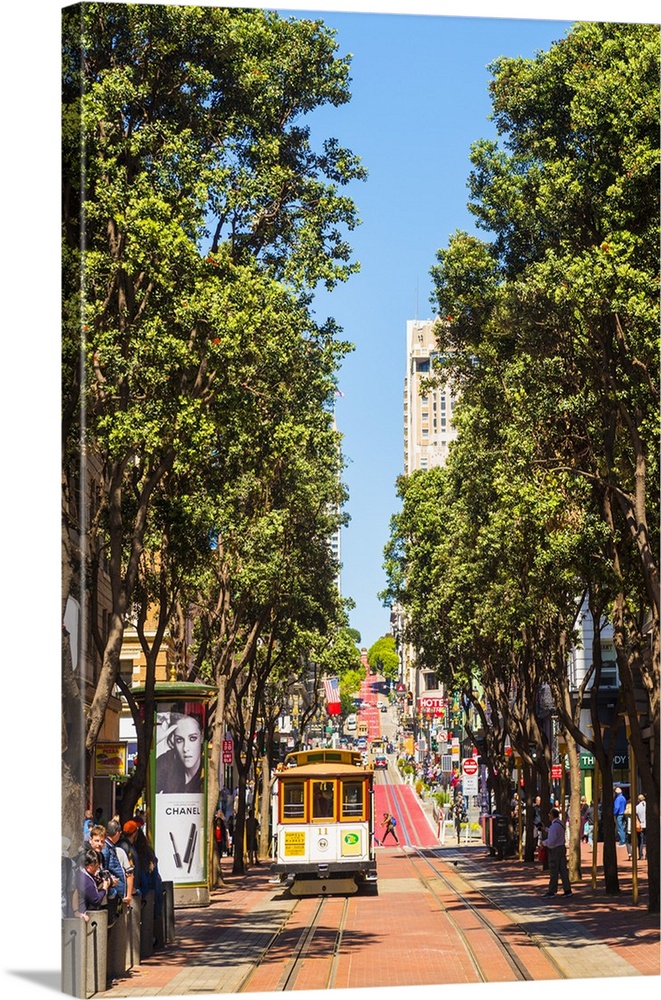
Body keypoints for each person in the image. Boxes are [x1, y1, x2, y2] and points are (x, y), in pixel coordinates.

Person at [156, 713, 204, 793]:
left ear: (201, 737)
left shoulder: (207, 771)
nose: (185, 748)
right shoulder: (167, 761)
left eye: (192, 738)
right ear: (173, 741)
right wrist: (153, 743)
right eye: (179, 740)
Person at [541, 808, 572, 898]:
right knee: (563, 870)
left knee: (554, 870)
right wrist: (546, 829)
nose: (549, 816)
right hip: (561, 847)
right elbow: (555, 833)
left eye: (549, 815)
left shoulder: (554, 826)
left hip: (554, 850)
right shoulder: (560, 824)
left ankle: (551, 891)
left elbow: (552, 840)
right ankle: (567, 889)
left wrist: (543, 843)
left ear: (552, 815)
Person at [74, 849, 113, 920]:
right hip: (83, 914)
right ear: (89, 866)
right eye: (96, 866)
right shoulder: (86, 880)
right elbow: (96, 900)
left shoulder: (80, 871)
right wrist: (104, 887)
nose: (97, 868)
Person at [635, 794, 646, 860]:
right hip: (647, 825)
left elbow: (636, 816)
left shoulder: (637, 807)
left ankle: (640, 854)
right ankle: (647, 854)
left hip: (640, 825)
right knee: (647, 840)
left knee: (640, 841)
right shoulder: (648, 806)